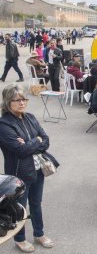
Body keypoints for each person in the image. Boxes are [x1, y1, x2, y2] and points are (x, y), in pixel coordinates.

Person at [0, 84, 56, 252]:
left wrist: (35, 141)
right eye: (17, 100)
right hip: (19, 173)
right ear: (8, 102)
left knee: (36, 203)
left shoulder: (30, 117)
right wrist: (36, 140)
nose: (22, 103)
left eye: (24, 99)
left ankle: (39, 234)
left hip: (38, 169)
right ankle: (19, 238)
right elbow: (20, 150)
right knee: (19, 208)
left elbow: (46, 139)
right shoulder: (4, 125)